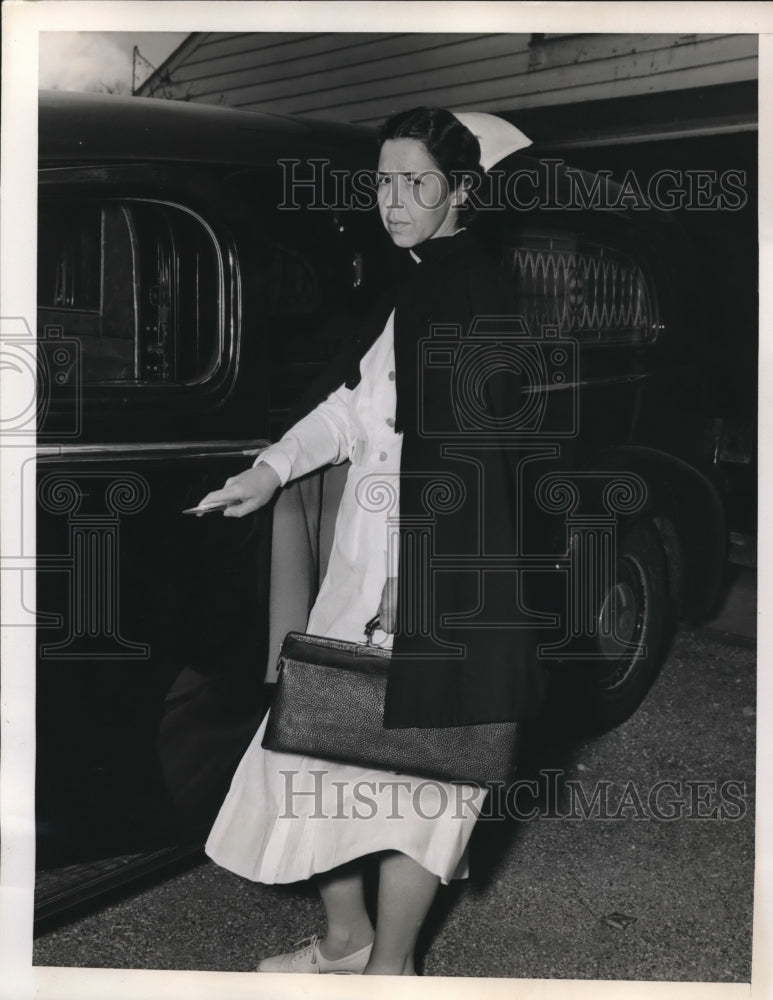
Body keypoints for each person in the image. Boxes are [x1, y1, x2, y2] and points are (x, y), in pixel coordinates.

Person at [196, 107, 547, 976]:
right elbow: (352, 407)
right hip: (371, 570)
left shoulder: (477, 295)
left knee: (420, 778)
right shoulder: (417, 283)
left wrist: (417, 573)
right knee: (318, 745)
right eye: (385, 182)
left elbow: (471, 457)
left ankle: (388, 972)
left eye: (415, 183)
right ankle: (348, 940)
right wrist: (273, 470)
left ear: (461, 191)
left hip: (433, 578)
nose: (394, 201)